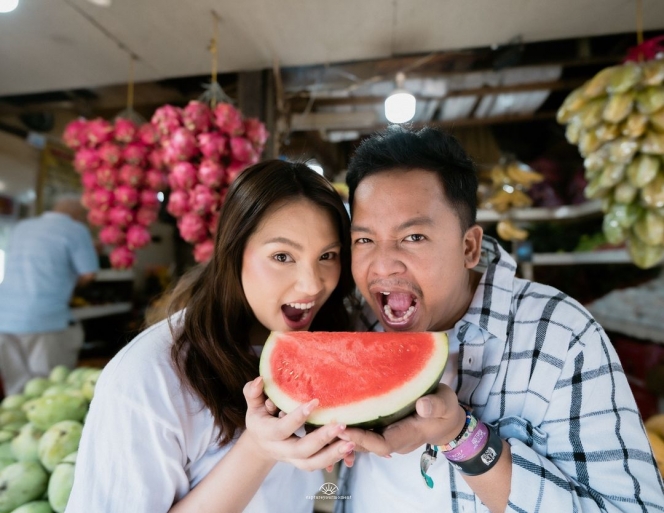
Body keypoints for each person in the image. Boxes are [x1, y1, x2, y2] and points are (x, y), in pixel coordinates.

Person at [333, 126, 664, 513]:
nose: (383, 263)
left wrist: (463, 439)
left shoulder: (561, 333)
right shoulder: (352, 319)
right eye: (364, 240)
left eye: (414, 237)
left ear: (469, 246)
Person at [66, 160, 357, 513]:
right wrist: (258, 450)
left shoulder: (321, 344)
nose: (312, 284)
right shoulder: (144, 378)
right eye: (282, 256)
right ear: (232, 254)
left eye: (327, 255)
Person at [0, 195, 99, 395]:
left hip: (4, 318)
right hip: (44, 320)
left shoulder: (22, 226)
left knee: (17, 392)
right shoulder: (76, 229)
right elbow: (89, 273)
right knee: (51, 390)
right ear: (77, 215)